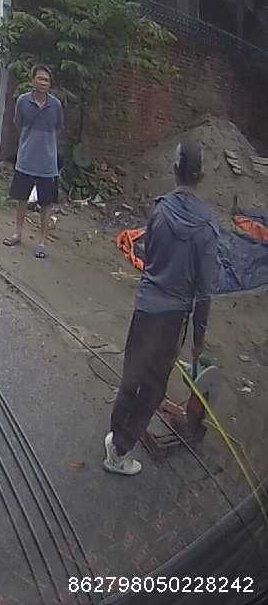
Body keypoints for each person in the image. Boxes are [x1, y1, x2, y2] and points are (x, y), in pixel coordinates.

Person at [103, 141, 220, 476]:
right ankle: (119, 452)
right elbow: (204, 291)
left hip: (146, 307)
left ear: (174, 171)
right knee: (154, 388)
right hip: (172, 319)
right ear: (201, 175)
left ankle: (115, 436)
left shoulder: (160, 210)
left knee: (131, 376)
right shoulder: (207, 227)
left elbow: (150, 255)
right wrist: (198, 339)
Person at [2, 65, 63, 259]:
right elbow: (18, 123)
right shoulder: (23, 101)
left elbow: (58, 128)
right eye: (40, 79)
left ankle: (42, 242)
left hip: (47, 165)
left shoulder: (56, 105)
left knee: (46, 205)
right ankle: (17, 234)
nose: (43, 83)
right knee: (21, 199)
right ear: (33, 81)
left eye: (46, 80)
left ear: (50, 84)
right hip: (26, 160)